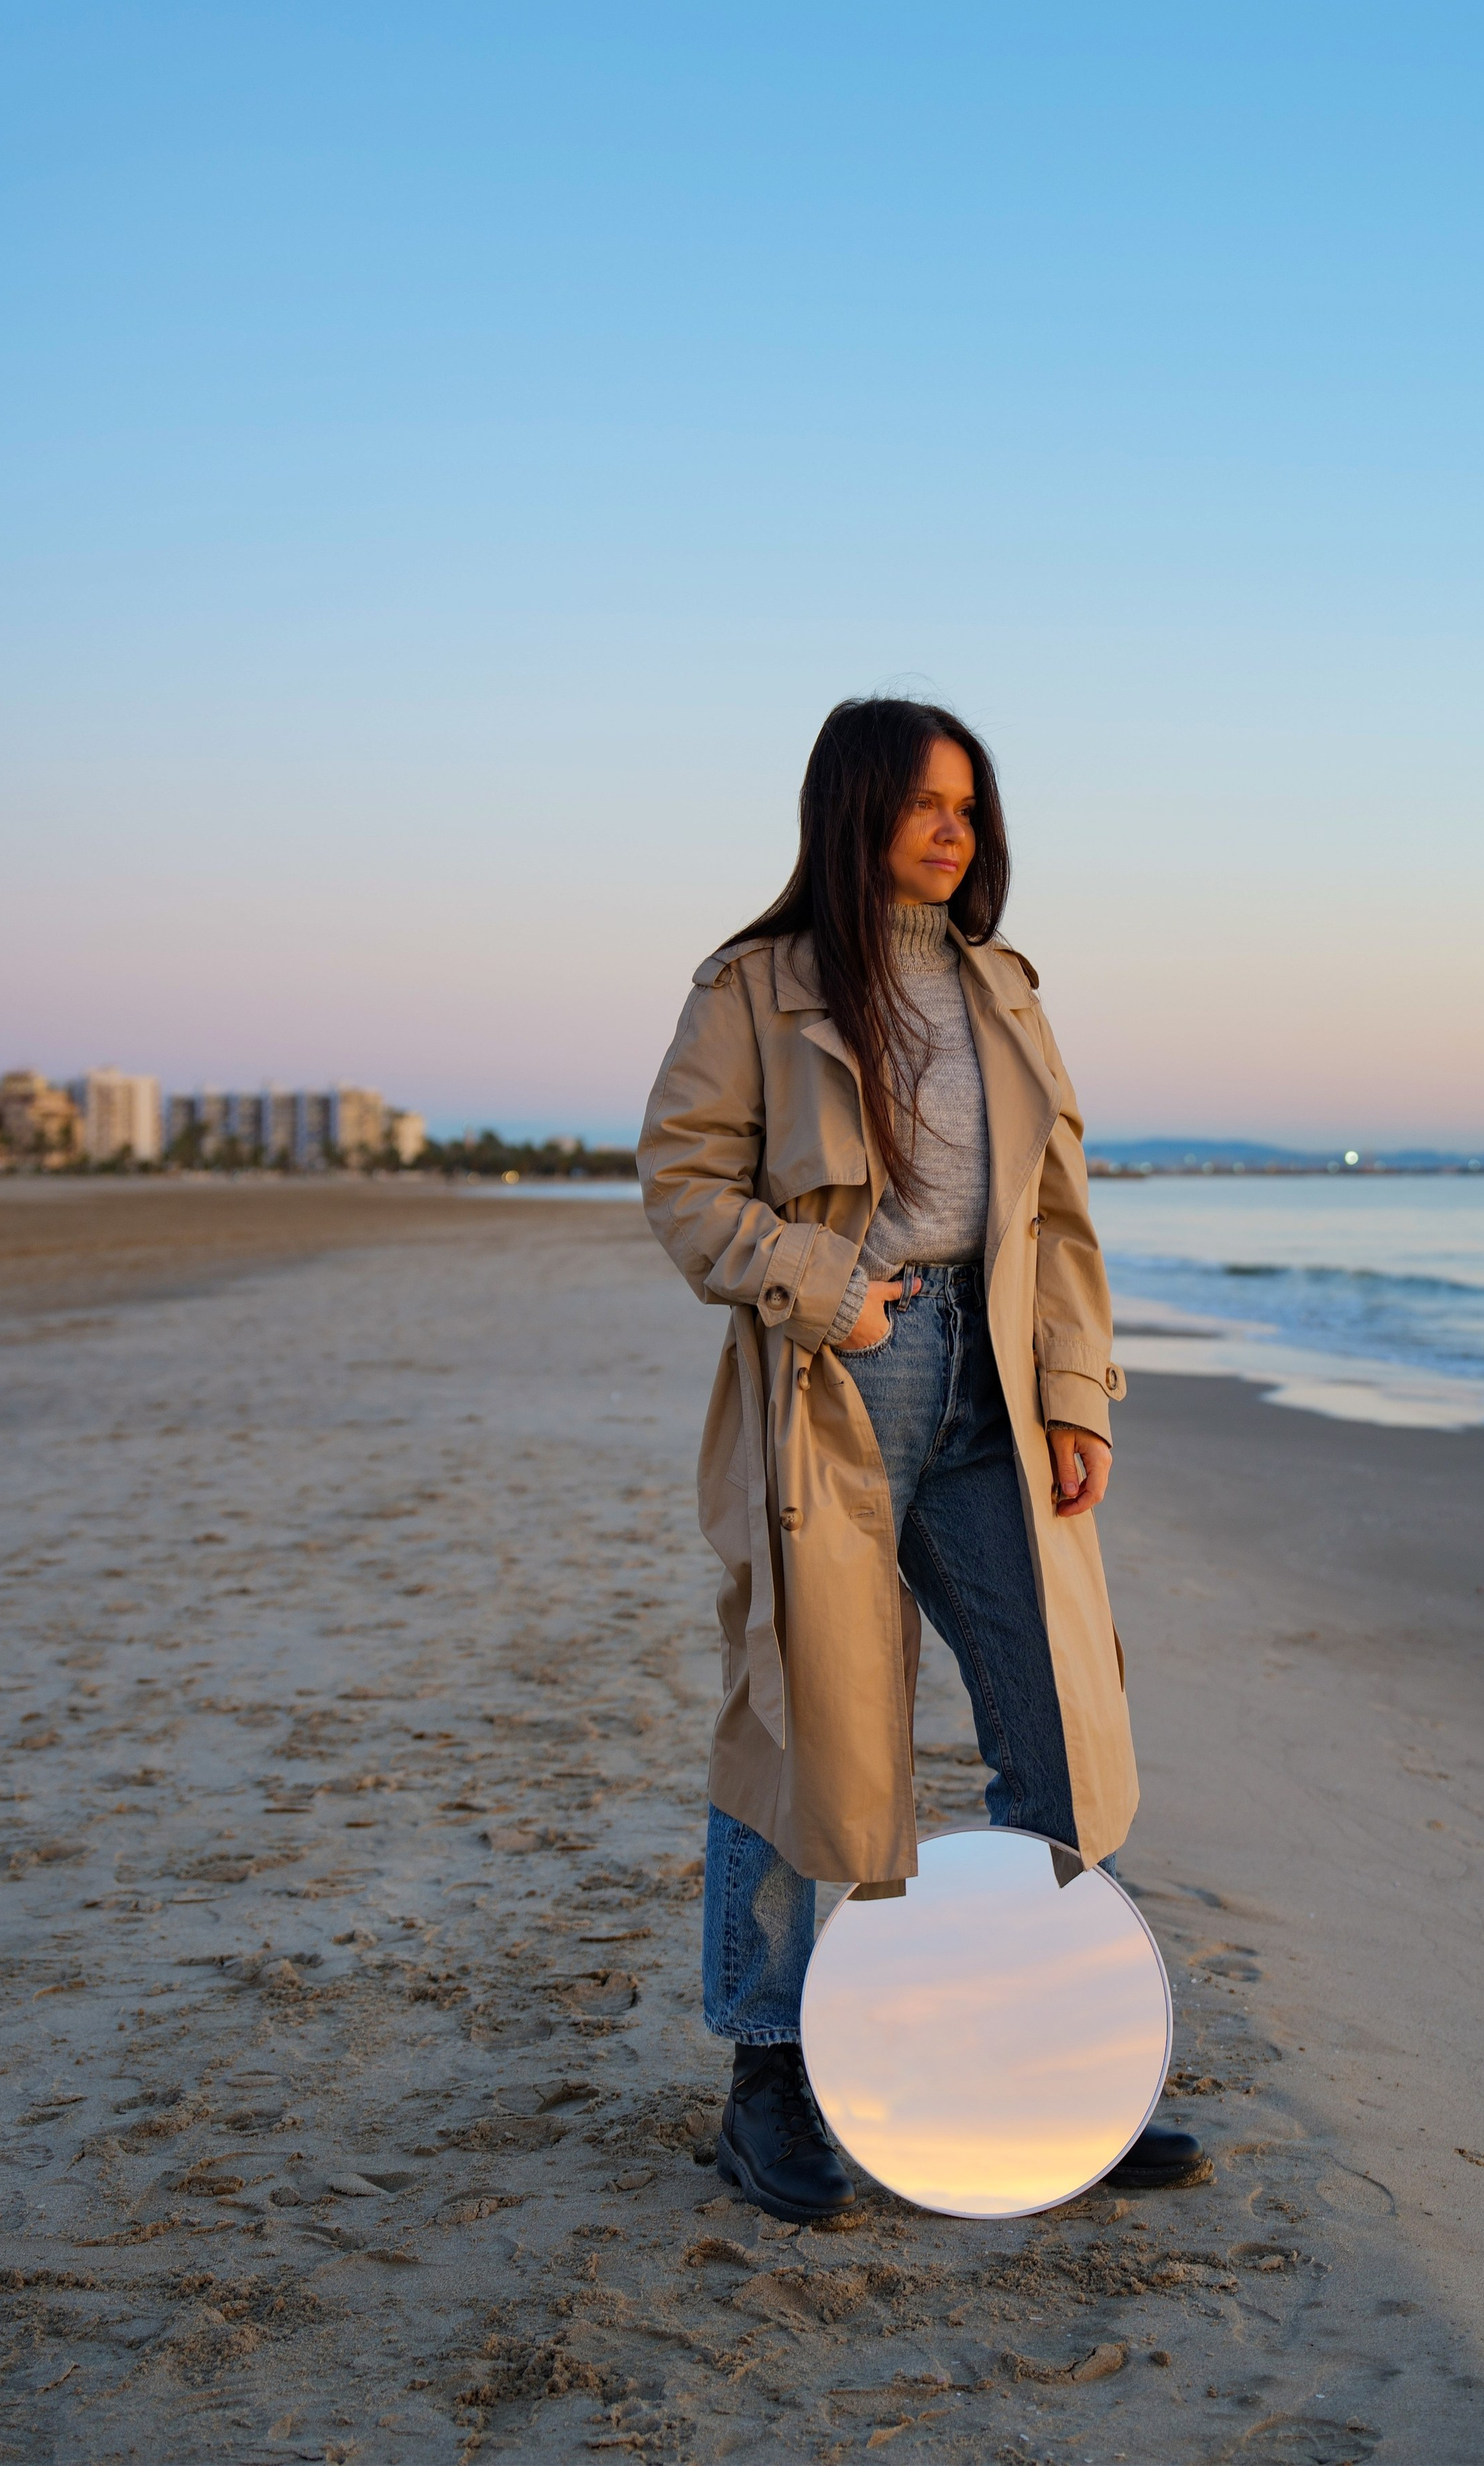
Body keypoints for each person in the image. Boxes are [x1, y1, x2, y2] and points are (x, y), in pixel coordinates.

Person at [638, 696, 1200, 2220]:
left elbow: (1059, 1215)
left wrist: (1077, 1395)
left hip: (998, 1399)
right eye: (922, 804)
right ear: (852, 812)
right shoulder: (752, 987)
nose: (953, 830)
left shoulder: (1003, 988)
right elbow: (680, 1184)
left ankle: (1054, 2059)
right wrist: (824, 1292)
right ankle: (769, 2074)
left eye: (970, 804)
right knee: (799, 1728)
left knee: (1052, 1726)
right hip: (838, 1382)